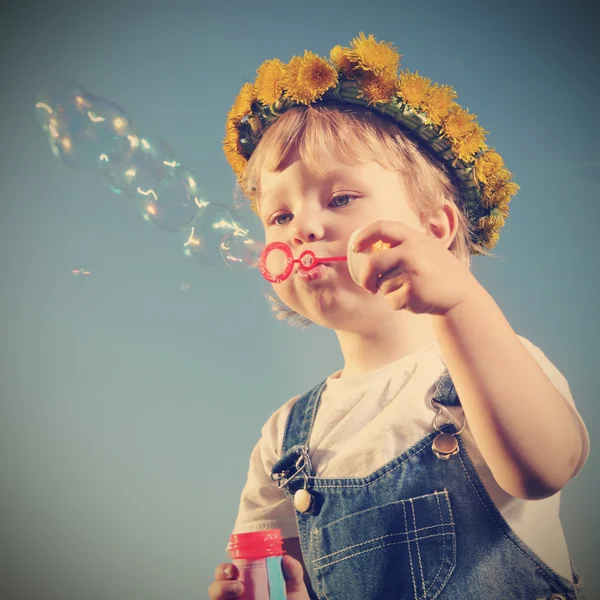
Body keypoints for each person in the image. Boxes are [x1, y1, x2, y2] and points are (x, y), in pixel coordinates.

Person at [208, 33, 589, 600]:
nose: (303, 229)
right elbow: (273, 574)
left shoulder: (491, 364)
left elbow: (545, 469)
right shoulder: (282, 440)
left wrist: (460, 299)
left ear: (435, 229)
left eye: (340, 199)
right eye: (280, 214)